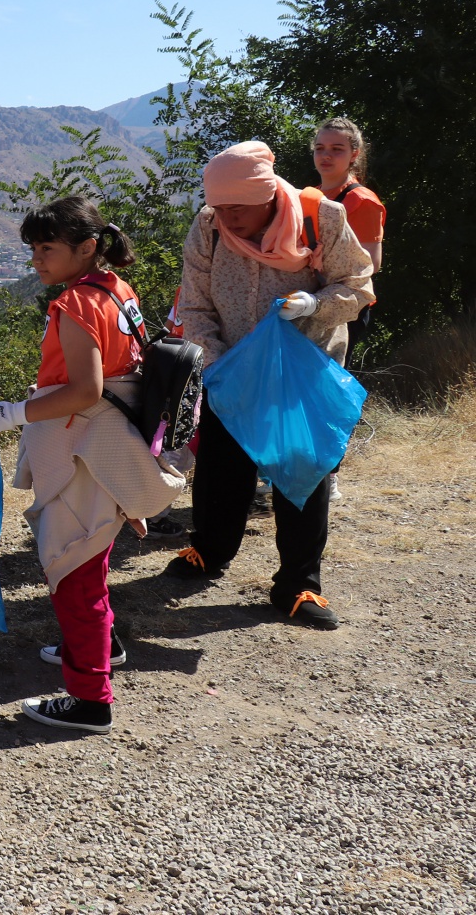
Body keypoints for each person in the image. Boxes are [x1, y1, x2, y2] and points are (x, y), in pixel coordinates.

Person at [0, 197, 186, 734]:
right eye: (33, 249)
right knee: (94, 555)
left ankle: (90, 698)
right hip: (115, 444)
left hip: (84, 448)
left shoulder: (73, 304)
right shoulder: (118, 290)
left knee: (73, 568)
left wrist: (15, 412)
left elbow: (86, 390)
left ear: (86, 248)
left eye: (47, 249)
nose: (37, 260)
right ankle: (99, 649)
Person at [169, 141, 374, 629]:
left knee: (303, 472)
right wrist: (219, 367)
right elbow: (195, 306)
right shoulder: (209, 226)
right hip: (231, 370)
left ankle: (299, 584)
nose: (228, 218)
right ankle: (209, 551)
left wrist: (314, 305)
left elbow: (358, 284)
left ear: (266, 195)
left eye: (238, 207)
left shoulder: (320, 217)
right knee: (222, 466)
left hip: (303, 369)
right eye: (220, 206)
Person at [311, 116, 385, 368]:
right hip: (311, 302)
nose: (326, 155)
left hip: (344, 306)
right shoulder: (312, 195)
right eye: (320, 148)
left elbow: (370, 264)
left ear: (354, 154)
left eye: (336, 149)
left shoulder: (362, 201)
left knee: (327, 386)